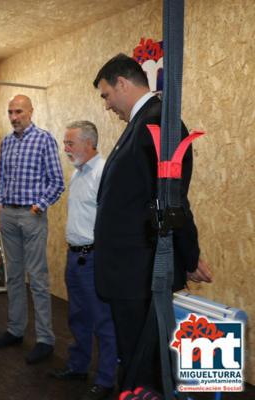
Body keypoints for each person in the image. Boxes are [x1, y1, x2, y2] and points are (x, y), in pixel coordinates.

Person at [92, 54, 212, 393]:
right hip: (129, 272)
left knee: (144, 361)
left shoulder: (160, 123)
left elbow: (172, 201)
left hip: (140, 272)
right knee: (134, 357)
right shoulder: (141, 124)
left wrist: (187, 257)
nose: (107, 105)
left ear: (122, 83)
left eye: (106, 95)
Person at [0, 94, 65, 365]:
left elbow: (57, 182)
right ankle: (15, 330)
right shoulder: (7, 142)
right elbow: (1, 177)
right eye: (10, 112)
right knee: (13, 276)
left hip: (32, 217)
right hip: (8, 214)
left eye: (19, 111)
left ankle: (45, 339)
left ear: (31, 112)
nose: (13, 117)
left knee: (38, 278)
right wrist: (0, 202)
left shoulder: (44, 139)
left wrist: (38, 206)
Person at [47, 121, 116, 400]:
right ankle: (77, 366)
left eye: (69, 143)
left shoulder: (103, 173)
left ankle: (106, 379)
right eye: (65, 143)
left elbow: (111, 221)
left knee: (103, 321)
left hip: (95, 258)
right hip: (74, 256)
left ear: (89, 143)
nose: (65, 148)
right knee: (77, 317)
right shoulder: (77, 173)